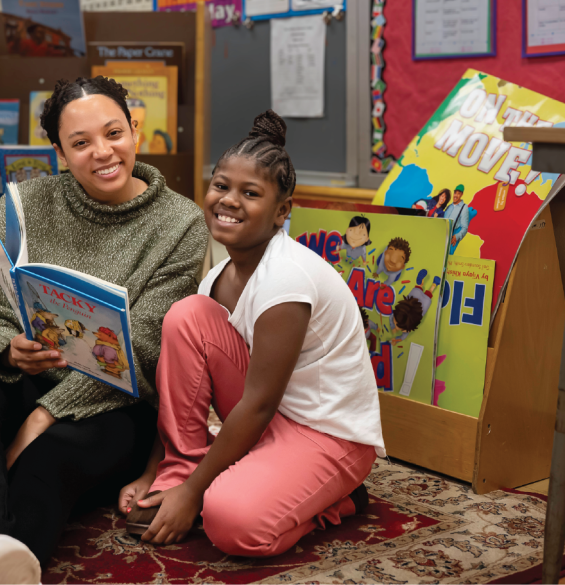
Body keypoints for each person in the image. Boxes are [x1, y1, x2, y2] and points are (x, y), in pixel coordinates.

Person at [0, 76, 208, 585]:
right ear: (60, 152)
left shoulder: (180, 223)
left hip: (116, 403)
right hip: (27, 373)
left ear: (135, 132)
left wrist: (43, 416)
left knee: (49, 458)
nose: (103, 152)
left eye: (114, 133)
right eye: (81, 143)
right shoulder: (22, 206)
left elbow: (146, 346)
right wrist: (10, 352)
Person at [119, 111, 385, 556]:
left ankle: (338, 500)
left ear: (282, 211)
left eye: (250, 193)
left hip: (326, 433)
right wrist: (156, 472)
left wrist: (196, 497)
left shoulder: (287, 279)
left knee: (231, 523)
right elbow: (184, 394)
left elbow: (259, 402)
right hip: (271, 418)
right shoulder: (218, 277)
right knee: (187, 314)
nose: (228, 200)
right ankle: (180, 473)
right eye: (221, 186)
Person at [444, 184, 471, 253]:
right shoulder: (449, 206)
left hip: (450, 240)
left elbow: (464, 227)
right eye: (455, 193)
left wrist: (457, 236)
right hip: (441, 237)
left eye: (458, 193)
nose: (456, 195)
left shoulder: (464, 207)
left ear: (462, 194)